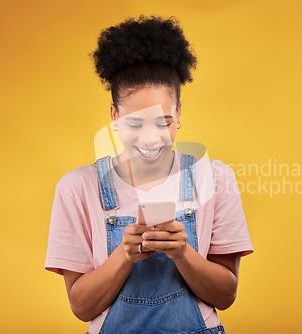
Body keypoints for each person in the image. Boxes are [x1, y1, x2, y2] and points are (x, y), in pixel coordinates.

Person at [44, 15, 253, 334]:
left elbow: (226, 295)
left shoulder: (215, 179)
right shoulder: (77, 188)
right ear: (114, 117)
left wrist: (183, 253)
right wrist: (124, 256)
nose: (151, 138)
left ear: (179, 112)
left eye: (163, 122)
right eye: (135, 124)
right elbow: (81, 307)